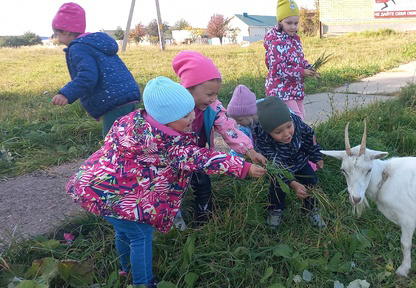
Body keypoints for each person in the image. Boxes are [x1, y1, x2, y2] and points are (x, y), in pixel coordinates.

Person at [66, 76, 266, 287]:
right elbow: (202, 158)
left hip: (98, 189)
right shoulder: (166, 144)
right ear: (163, 118)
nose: (191, 118)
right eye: (185, 115)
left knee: (125, 231)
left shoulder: (134, 122)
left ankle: (125, 270)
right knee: (141, 235)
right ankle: (143, 282)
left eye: (191, 111)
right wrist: (242, 167)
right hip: (117, 196)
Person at [172, 50, 267, 225]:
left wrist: (250, 150)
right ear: (188, 88)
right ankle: (173, 217)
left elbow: (229, 129)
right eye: (209, 94)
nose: (214, 98)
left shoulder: (213, 108)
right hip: (174, 157)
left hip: (199, 155)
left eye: (216, 94)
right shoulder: (172, 109)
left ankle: (203, 212)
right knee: (174, 188)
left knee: (202, 183)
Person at [51, 2, 140, 138]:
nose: (57, 39)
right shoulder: (93, 42)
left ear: (67, 31)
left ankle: (115, 159)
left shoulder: (78, 47)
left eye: (57, 34)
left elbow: (87, 77)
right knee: (128, 136)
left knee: (113, 139)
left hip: (114, 100)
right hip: (127, 94)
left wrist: (65, 94)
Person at [253, 96, 326, 228]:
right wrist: (294, 184)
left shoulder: (296, 123)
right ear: (268, 132)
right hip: (279, 166)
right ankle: (276, 209)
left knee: (311, 181)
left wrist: (317, 157)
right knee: (277, 187)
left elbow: (309, 139)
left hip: (299, 159)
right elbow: (276, 164)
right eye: (278, 132)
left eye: (288, 127)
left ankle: (309, 209)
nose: (286, 134)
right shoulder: (263, 138)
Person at [264, 0, 319, 121]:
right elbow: (278, 69)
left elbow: (299, 60)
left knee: (301, 116)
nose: (293, 27)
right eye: (289, 23)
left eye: (296, 23)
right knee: (295, 118)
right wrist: (301, 72)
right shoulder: (276, 41)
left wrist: (308, 67)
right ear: (280, 22)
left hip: (295, 88)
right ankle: (294, 139)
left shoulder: (294, 39)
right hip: (280, 90)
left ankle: (299, 139)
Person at [227, 85, 260, 157]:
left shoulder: (263, 122)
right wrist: (233, 160)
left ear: (251, 115)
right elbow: (239, 144)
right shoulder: (243, 128)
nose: (238, 123)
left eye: (240, 120)